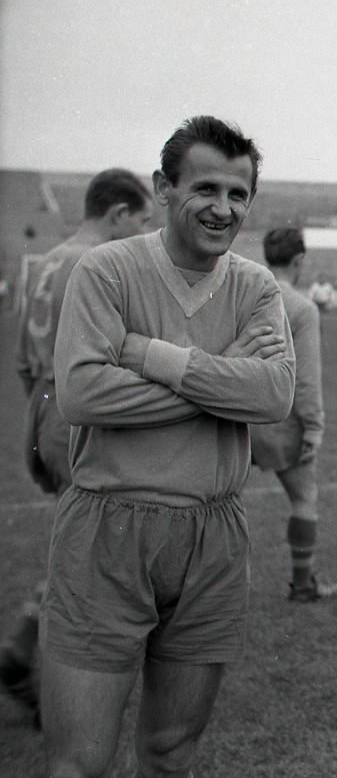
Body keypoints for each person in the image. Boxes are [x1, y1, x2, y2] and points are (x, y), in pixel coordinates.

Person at [42, 115, 295, 778]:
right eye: (206, 189)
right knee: (80, 761)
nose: (223, 208)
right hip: (107, 526)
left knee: (170, 753)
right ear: (162, 186)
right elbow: (83, 396)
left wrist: (154, 357)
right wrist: (220, 370)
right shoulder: (106, 271)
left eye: (239, 195)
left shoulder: (255, 287)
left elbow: (271, 397)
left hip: (212, 538)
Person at [0, 168, 153, 725]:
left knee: (79, 543)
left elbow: (21, 359)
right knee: (89, 553)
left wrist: (41, 418)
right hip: (74, 416)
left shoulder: (47, 263)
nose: (140, 233)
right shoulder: (95, 264)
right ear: (117, 214)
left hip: (41, 409)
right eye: (139, 221)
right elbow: (110, 359)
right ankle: (40, 670)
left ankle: (24, 652)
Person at [250, 227, 337, 602]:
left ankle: (200, 590)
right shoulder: (301, 308)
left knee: (215, 501)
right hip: (280, 417)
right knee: (304, 497)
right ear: (299, 260)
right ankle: (303, 584)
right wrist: (314, 428)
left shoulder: (244, 293)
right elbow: (306, 378)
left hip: (233, 413)